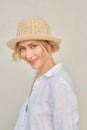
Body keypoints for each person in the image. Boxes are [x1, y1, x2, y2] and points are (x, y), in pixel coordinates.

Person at [7, 16, 79, 130]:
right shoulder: (38, 78)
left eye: (33, 46)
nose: (28, 55)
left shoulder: (59, 83)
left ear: (48, 45)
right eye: (22, 48)